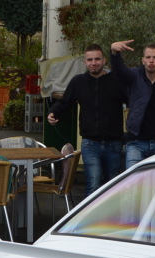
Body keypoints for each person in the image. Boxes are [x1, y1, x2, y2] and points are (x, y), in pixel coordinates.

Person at [46, 44, 126, 196]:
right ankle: (90, 219)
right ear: (84, 62)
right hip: (90, 143)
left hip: (114, 143)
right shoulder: (78, 82)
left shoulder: (116, 81)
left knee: (113, 186)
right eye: (90, 60)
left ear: (104, 61)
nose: (93, 62)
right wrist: (53, 113)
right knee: (93, 184)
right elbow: (65, 102)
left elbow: (134, 102)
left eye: (97, 59)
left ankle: (111, 219)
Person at [110, 39, 155, 169]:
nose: (151, 61)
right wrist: (115, 53)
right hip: (136, 142)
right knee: (133, 184)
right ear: (143, 60)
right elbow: (120, 72)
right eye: (148, 57)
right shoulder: (134, 77)